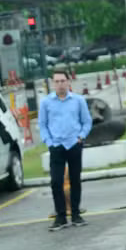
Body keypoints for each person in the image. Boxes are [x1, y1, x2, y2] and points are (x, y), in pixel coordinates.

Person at [38, 69, 92, 231]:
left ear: (68, 82)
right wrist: (48, 141)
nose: (60, 84)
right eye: (57, 81)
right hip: (56, 146)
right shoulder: (46, 103)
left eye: (63, 81)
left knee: (75, 180)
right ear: (53, 83)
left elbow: (87, 122)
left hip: (74, 144)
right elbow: (42, 125)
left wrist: (81, 137)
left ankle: (75, 214)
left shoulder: (78, 101)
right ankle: (61, 216)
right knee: (56, 182)